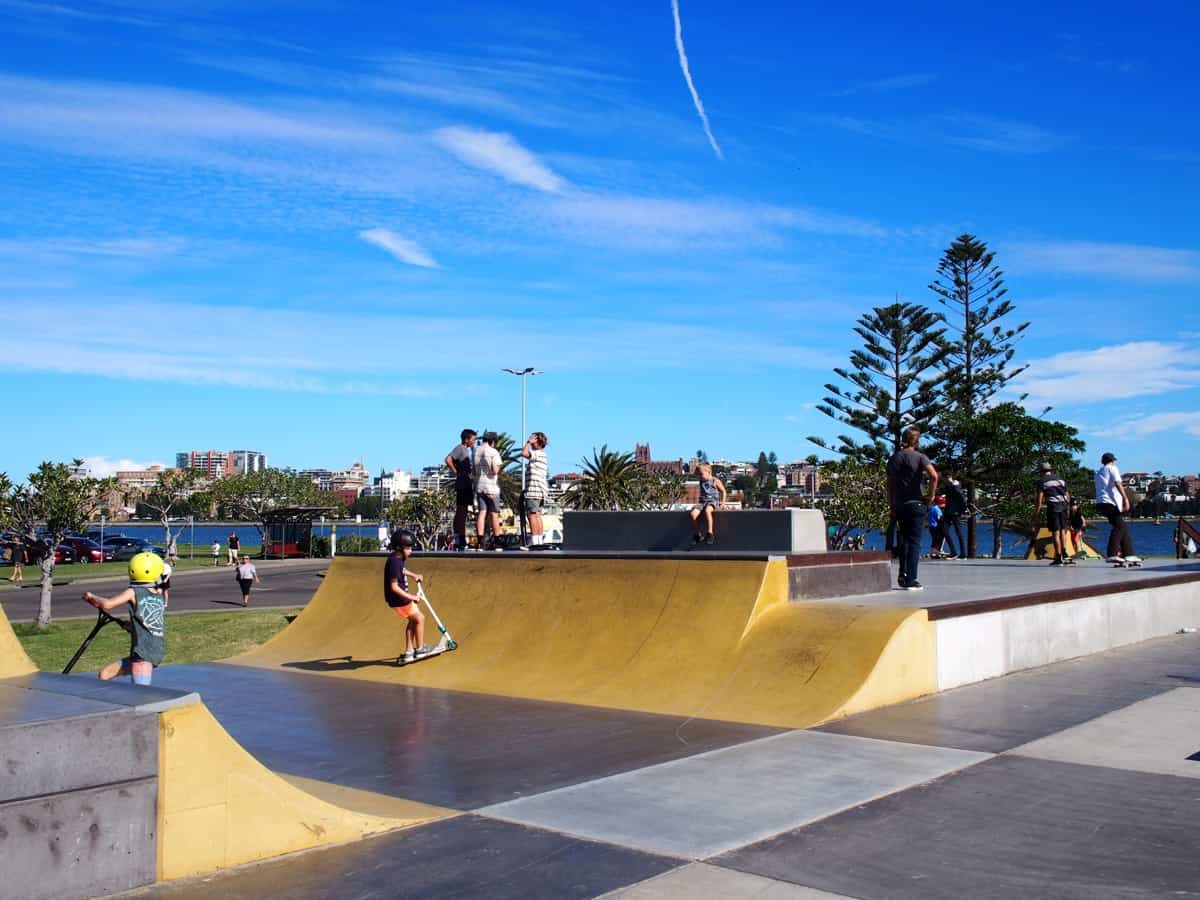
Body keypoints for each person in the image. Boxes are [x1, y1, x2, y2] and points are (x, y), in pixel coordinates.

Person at [81, 551, 165, 685]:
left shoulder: (133, 592)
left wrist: (91, 597)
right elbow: (149, 624)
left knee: (140, 696)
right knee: (104, 675)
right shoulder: (157, 596)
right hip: (152, 651)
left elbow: (107, 604)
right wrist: (129, 626)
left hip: (142, 655)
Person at [887, 427, 938, 591]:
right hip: (916, 503)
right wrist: (930, 496)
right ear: (916, 441)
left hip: (900, 505)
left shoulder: (895, 458)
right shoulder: (921, 457)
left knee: (903, 540)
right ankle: (911, 579)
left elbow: (889, 485)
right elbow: (934, 476)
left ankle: (902, 575)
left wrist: (892, 505)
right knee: (914, 542)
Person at [384, 531, 437, 663]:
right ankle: (420, 649)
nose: (410, 551)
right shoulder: (394, 563)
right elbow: (394, 587)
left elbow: (402, 571)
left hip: (400, 600)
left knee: (413, 621)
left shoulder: (397, 559)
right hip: (400, 600)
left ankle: (409, 651)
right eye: (408, 548)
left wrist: (413, 575)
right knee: (420, 618)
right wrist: (412, 597)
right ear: (399, 548)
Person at [1095, 452, 1135, 561]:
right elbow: (1118, 483)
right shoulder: (1112, 468)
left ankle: (1128, 554)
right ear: (1113, 461)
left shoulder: (1099, 472)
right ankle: (1112, 554)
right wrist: (1125, 498)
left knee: (1122, 527)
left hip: (1101, 503)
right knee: (1119, 527)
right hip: (1109, 503)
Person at [444, 429, 477, 552]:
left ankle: (459, 538)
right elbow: (448, 459)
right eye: (473, 440)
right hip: (463, 484)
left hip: (466, 483)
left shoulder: (466, 450)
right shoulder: (460, 449)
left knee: (462, 511)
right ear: (466, 439)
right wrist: (456, 472)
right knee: (461, 512)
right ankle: (460, 539)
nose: (474, 442)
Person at [1036, 462, 1074, 565]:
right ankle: (1065, 554)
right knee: (1063, 531)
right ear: (1051, 470)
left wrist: (1037, 512)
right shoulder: (1061, 480)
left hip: (1053, 508)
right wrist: (1069, 508)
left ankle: (1058, 557)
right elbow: (1067, 495)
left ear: (1041, 472)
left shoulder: (1041, 481)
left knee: (1055, 532)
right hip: (1064, 507)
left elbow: (1039, 498)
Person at [473, 431, 503, 550]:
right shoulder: (493, 452)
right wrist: (499, 466)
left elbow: (474, 471)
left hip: (480, 486)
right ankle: (497, 541)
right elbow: (495, 470)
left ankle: (480, 542)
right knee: (494, 514)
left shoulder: (476, 451)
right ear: (493, 441)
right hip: (491, 487)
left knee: (482, 513)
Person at [520, 431, 550, 548]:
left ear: (537, 441)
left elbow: (524, 453)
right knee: (537, 514)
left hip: (534, 489)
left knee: (532, 515)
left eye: (533, 438)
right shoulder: (543, 454)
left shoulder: (538, 453)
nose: (531, 440)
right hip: (540, 490)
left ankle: (535, 540)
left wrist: (528, 442)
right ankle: (538, 541)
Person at [690, 462, 728, 545]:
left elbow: (724, 491)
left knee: (708, 511)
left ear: (709, 472)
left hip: (712, 501)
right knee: (693, 514)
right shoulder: (701, 480)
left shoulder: (715, 481)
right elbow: (695, 473)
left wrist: (723, 503)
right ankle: (697, 535)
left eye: (701, 474)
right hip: (702, 502)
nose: (700, 476)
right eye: (699, 474)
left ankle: (710, 533)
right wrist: (698, 467)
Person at [942, 474, 966, 559]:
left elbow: (961, 497)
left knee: (958, 532)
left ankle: (963, 554)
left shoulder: (955, 485)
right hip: (948, 511)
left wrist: (962, 509)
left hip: (955, 512)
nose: (943, 480)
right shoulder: (948, 486)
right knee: (944, 530)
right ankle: (954, 552)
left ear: (948, 477)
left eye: (943, 478)